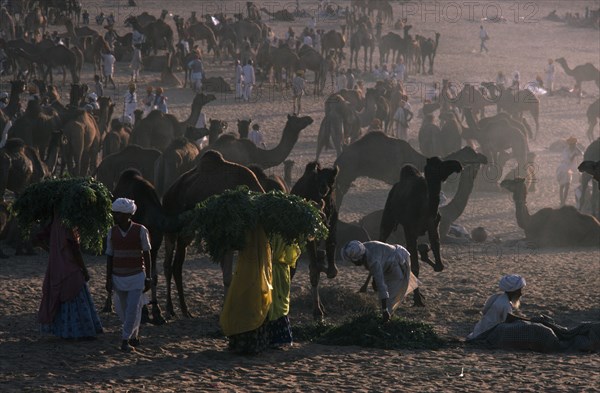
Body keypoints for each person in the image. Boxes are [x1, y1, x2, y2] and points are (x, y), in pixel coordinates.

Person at [38, 208, 103, 339]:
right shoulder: (67, 224)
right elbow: (76, 250)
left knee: (60, 295)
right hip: (70, 266)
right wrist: (84, 269)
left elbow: (39, 238)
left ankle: (63, 331)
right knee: (75, 293)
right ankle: (80, 331)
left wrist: (53, 251)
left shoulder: (53, 223)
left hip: (56, 266)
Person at [105, 198, 152, 352]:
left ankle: (125, 339)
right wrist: (108, 279)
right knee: (123, 310)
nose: (115, 217)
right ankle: (133, 334)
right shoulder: (111, 232)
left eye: (118, 214)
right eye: (115, 214)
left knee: (132, 308)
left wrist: (148, 277)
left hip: (137, 276)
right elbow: (109, 256)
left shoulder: (141, 230)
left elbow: (147, 254)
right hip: (118, 277)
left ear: (127, 215)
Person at [342, 240, 420, 322]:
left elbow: (381, 285)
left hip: (396, 264)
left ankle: (388, 321)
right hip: (389, 260)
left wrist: (384, 310)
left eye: (354, 261)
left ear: (359, 258)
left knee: (389, 302)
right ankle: (388, 316)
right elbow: (373, 268)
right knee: (383, 301)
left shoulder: (373, 261)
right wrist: (366, 284)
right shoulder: (363, 248)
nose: (354, 264)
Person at [467, 274, 526, 340]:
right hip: (485, 335)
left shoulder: (496, 297)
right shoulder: (505, 304)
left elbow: (485, 312)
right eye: (519, 291)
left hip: (478, 330)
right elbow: (508, 322)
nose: (521, 294)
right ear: (513, 291)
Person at [267, 236, 301, 347]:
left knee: (268, 301)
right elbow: (291, 257)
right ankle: (280, 339)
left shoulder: (267, 233)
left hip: (267, 270)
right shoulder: (288, 234)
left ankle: (266, 336)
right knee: (280, 303)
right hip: (282, 272)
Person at [556, 136, 583, 206]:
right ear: (569, 144)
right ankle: (562, 201)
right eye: (572, 144)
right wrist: (574, 155)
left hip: (569, 170)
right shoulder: (566, 151)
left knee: (567, 186)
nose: (573, 146)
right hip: (563, 168)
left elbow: (582, 153)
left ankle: (563, 202)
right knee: (562, 186)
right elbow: (568, 161)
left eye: (574, 144)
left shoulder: (575, 150)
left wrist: (577, 148)